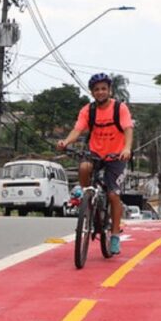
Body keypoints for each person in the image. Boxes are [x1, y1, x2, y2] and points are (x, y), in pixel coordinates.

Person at [56, 72, 134, 255]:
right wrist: (66, 142)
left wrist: (127, 148)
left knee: (114, 195)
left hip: (117, 157)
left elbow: (128, 129)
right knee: (84, 167)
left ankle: (114, 236)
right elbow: (77, 129)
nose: (100, 92)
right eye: (96, 90)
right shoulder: (88, 110)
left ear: (110, 90)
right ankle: (87, 201)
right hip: (95, 154)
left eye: (103, 89)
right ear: (92, 92)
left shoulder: (119, 108)